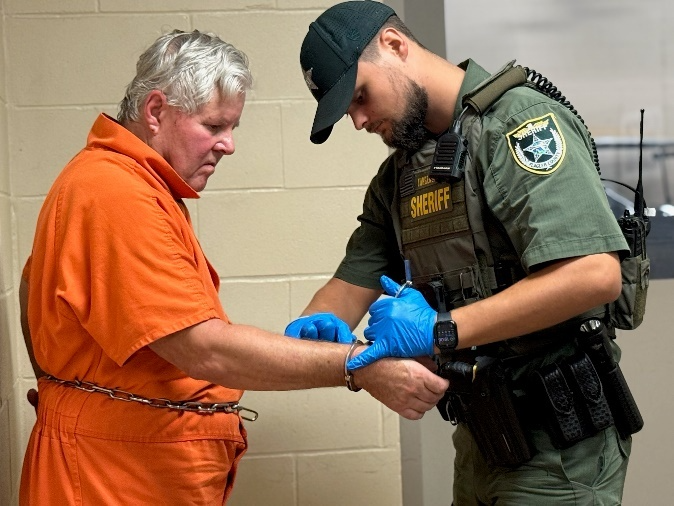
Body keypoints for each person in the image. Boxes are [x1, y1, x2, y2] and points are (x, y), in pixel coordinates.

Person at [18, 28, 449, 506]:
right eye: (214, 126)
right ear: (156, 111)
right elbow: (205, 349)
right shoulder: (114, 192)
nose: (228, 145)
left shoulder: (126, 184)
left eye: (232, 129)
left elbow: (31, 285)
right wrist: (360, 366)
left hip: (129, 468)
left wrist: (60, 386)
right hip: (110, 478)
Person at [287, 1, 638, 504]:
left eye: (360, 96)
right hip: (485, 437)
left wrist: (440, 329)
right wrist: (317, 336)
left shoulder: (518, 125)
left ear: (394, 45)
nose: (359, 121)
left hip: (561, 445)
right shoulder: (398, 179)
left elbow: (593, 274)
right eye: (348, 111)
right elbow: (343, 292)